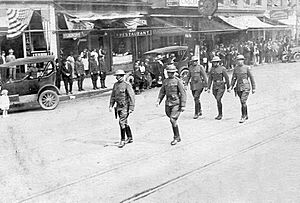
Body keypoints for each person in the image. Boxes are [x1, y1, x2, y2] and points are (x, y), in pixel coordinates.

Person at [156, 64, 187, 145]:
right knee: (171, 119)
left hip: (176, 103)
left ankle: (176, 137)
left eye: (172, 72)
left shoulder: (178, 81)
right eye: (169, 72)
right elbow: (162, 92)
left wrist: (183, 105)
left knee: (172, 119)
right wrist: (158, 100)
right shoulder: (165, 81)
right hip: (168, 104)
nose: (171, 74)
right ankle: (178, 136)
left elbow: (183, 93)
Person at [109, 70, 135, 148]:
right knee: (125, 122)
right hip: (118, 107)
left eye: (118, 76)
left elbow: (132, 97)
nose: (117, 77)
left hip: (125, 107)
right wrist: (111, 105)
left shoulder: (127, 85)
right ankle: (130, 137)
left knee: (121, 122)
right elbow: (113, 96)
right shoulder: (115, 85)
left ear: (122, 76)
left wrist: (131, 107)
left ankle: (122, 140)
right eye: (117, 76)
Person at [230, 54, 256, 123]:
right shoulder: (236, 68)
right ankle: (246, 114)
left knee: (243, 101)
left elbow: (251, 78)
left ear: (243, 60)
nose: (239, 61)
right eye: (238, 60)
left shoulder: (247, 68)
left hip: (246, 86)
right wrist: (231, 86)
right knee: (242, 102)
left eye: (241, 60)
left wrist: (253, 88)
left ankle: (243, 116)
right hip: (238, 87)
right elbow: (234, 78)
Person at [207, 56, 230, 120]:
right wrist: (208, 88)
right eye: (213, 62)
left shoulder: (222, 69)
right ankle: (219, 113)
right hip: (214, 86)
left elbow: (227, 78)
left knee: (218, 99)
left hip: (221, 86)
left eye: (216, 62)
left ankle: (220, 114)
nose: (214, 64)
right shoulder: (212, 69)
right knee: (217, 100)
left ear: (218, 62)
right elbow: (210, 79)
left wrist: (228, 87)